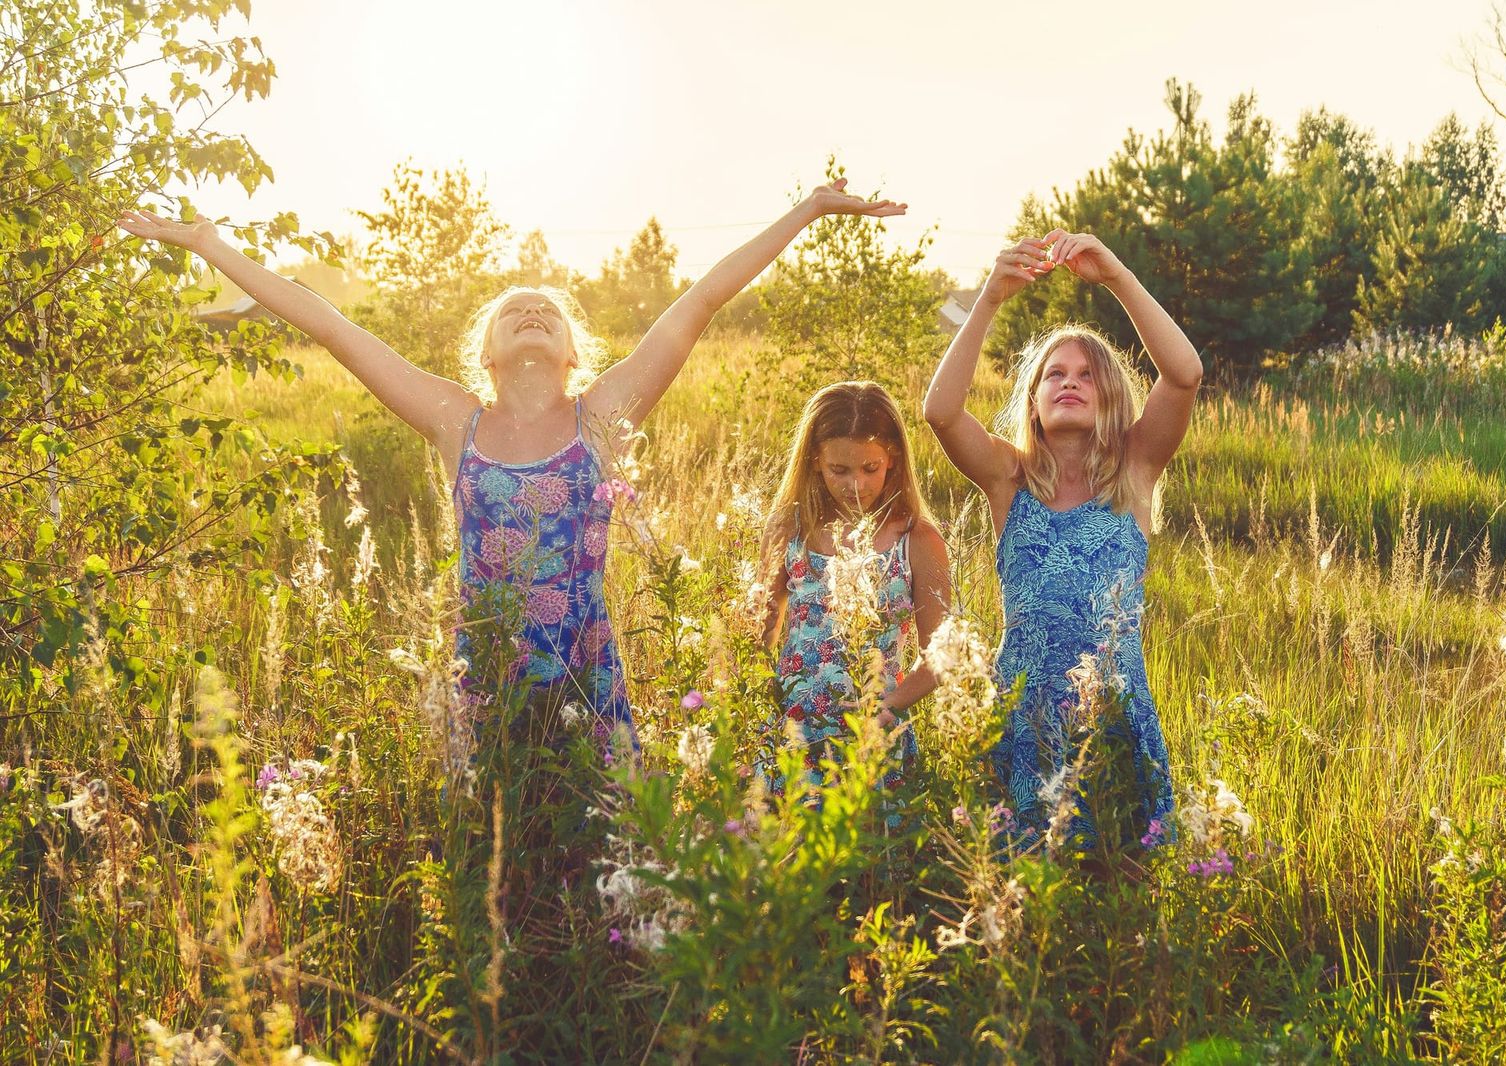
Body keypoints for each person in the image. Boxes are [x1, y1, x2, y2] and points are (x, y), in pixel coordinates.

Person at [118, 179, 907, 746]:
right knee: (497, 858)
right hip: (485, 673)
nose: (532, 311)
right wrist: (211, 246)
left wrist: (806, 211)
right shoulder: (452, 419)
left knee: (600, 854)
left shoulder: (600, 416)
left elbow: (701, 300)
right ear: (488, 356)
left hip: (587, 674)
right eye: (513, 312)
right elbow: (330, 326)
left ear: (571, 354)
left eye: (549, 312)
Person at [922, 230, 1202, 842]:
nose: (1068, 382)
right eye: (1053, 374)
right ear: (1033, 397)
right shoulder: (1008, 478)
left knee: (1119, 892)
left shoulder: (1135, 471)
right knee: (1024, 892)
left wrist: (1117, 278)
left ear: (1110, 395)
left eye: (1086, 374)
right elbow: (939, 411)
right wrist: (989, 299)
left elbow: (1184, 375)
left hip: (1112, 715)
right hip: (1023, 718)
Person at [756, 382, 951, 792]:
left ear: (893, 461)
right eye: (838, 470)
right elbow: (762, 630)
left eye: (870, 469)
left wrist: (890, 707)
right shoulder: (790, 529)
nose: (856, 485)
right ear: (813, 462)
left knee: (868, 848)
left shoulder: (916, 539)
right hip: (794, 732)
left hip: (872, 734)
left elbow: (941, 652)